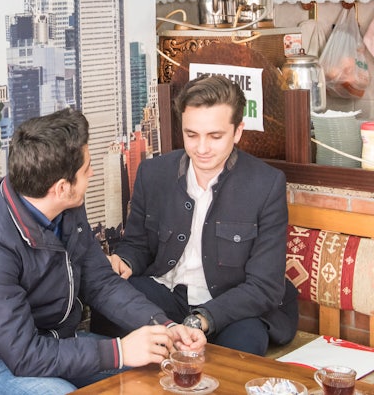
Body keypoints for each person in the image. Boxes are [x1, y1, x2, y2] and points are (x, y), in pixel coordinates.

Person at [0, 108, 206, 395]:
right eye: (86, 170)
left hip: (53, 344)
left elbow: (101, 283)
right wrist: (120, 351)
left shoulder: (66, 207)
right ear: (62, 188)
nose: (92, 173)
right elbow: (25, 356)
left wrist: (164, 327)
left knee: (161, 369)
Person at [93, 75, 298, 355]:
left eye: (215, 136)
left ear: (238, 131)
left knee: (245, 345)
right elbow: (137, 246)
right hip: (165, 293)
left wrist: (201, 320)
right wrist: (125, 261)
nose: (201, 148)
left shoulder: (265, 184)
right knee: (107, 311)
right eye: (191, 135)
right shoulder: (153, 173)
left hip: (229, 306)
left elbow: (265, 286)